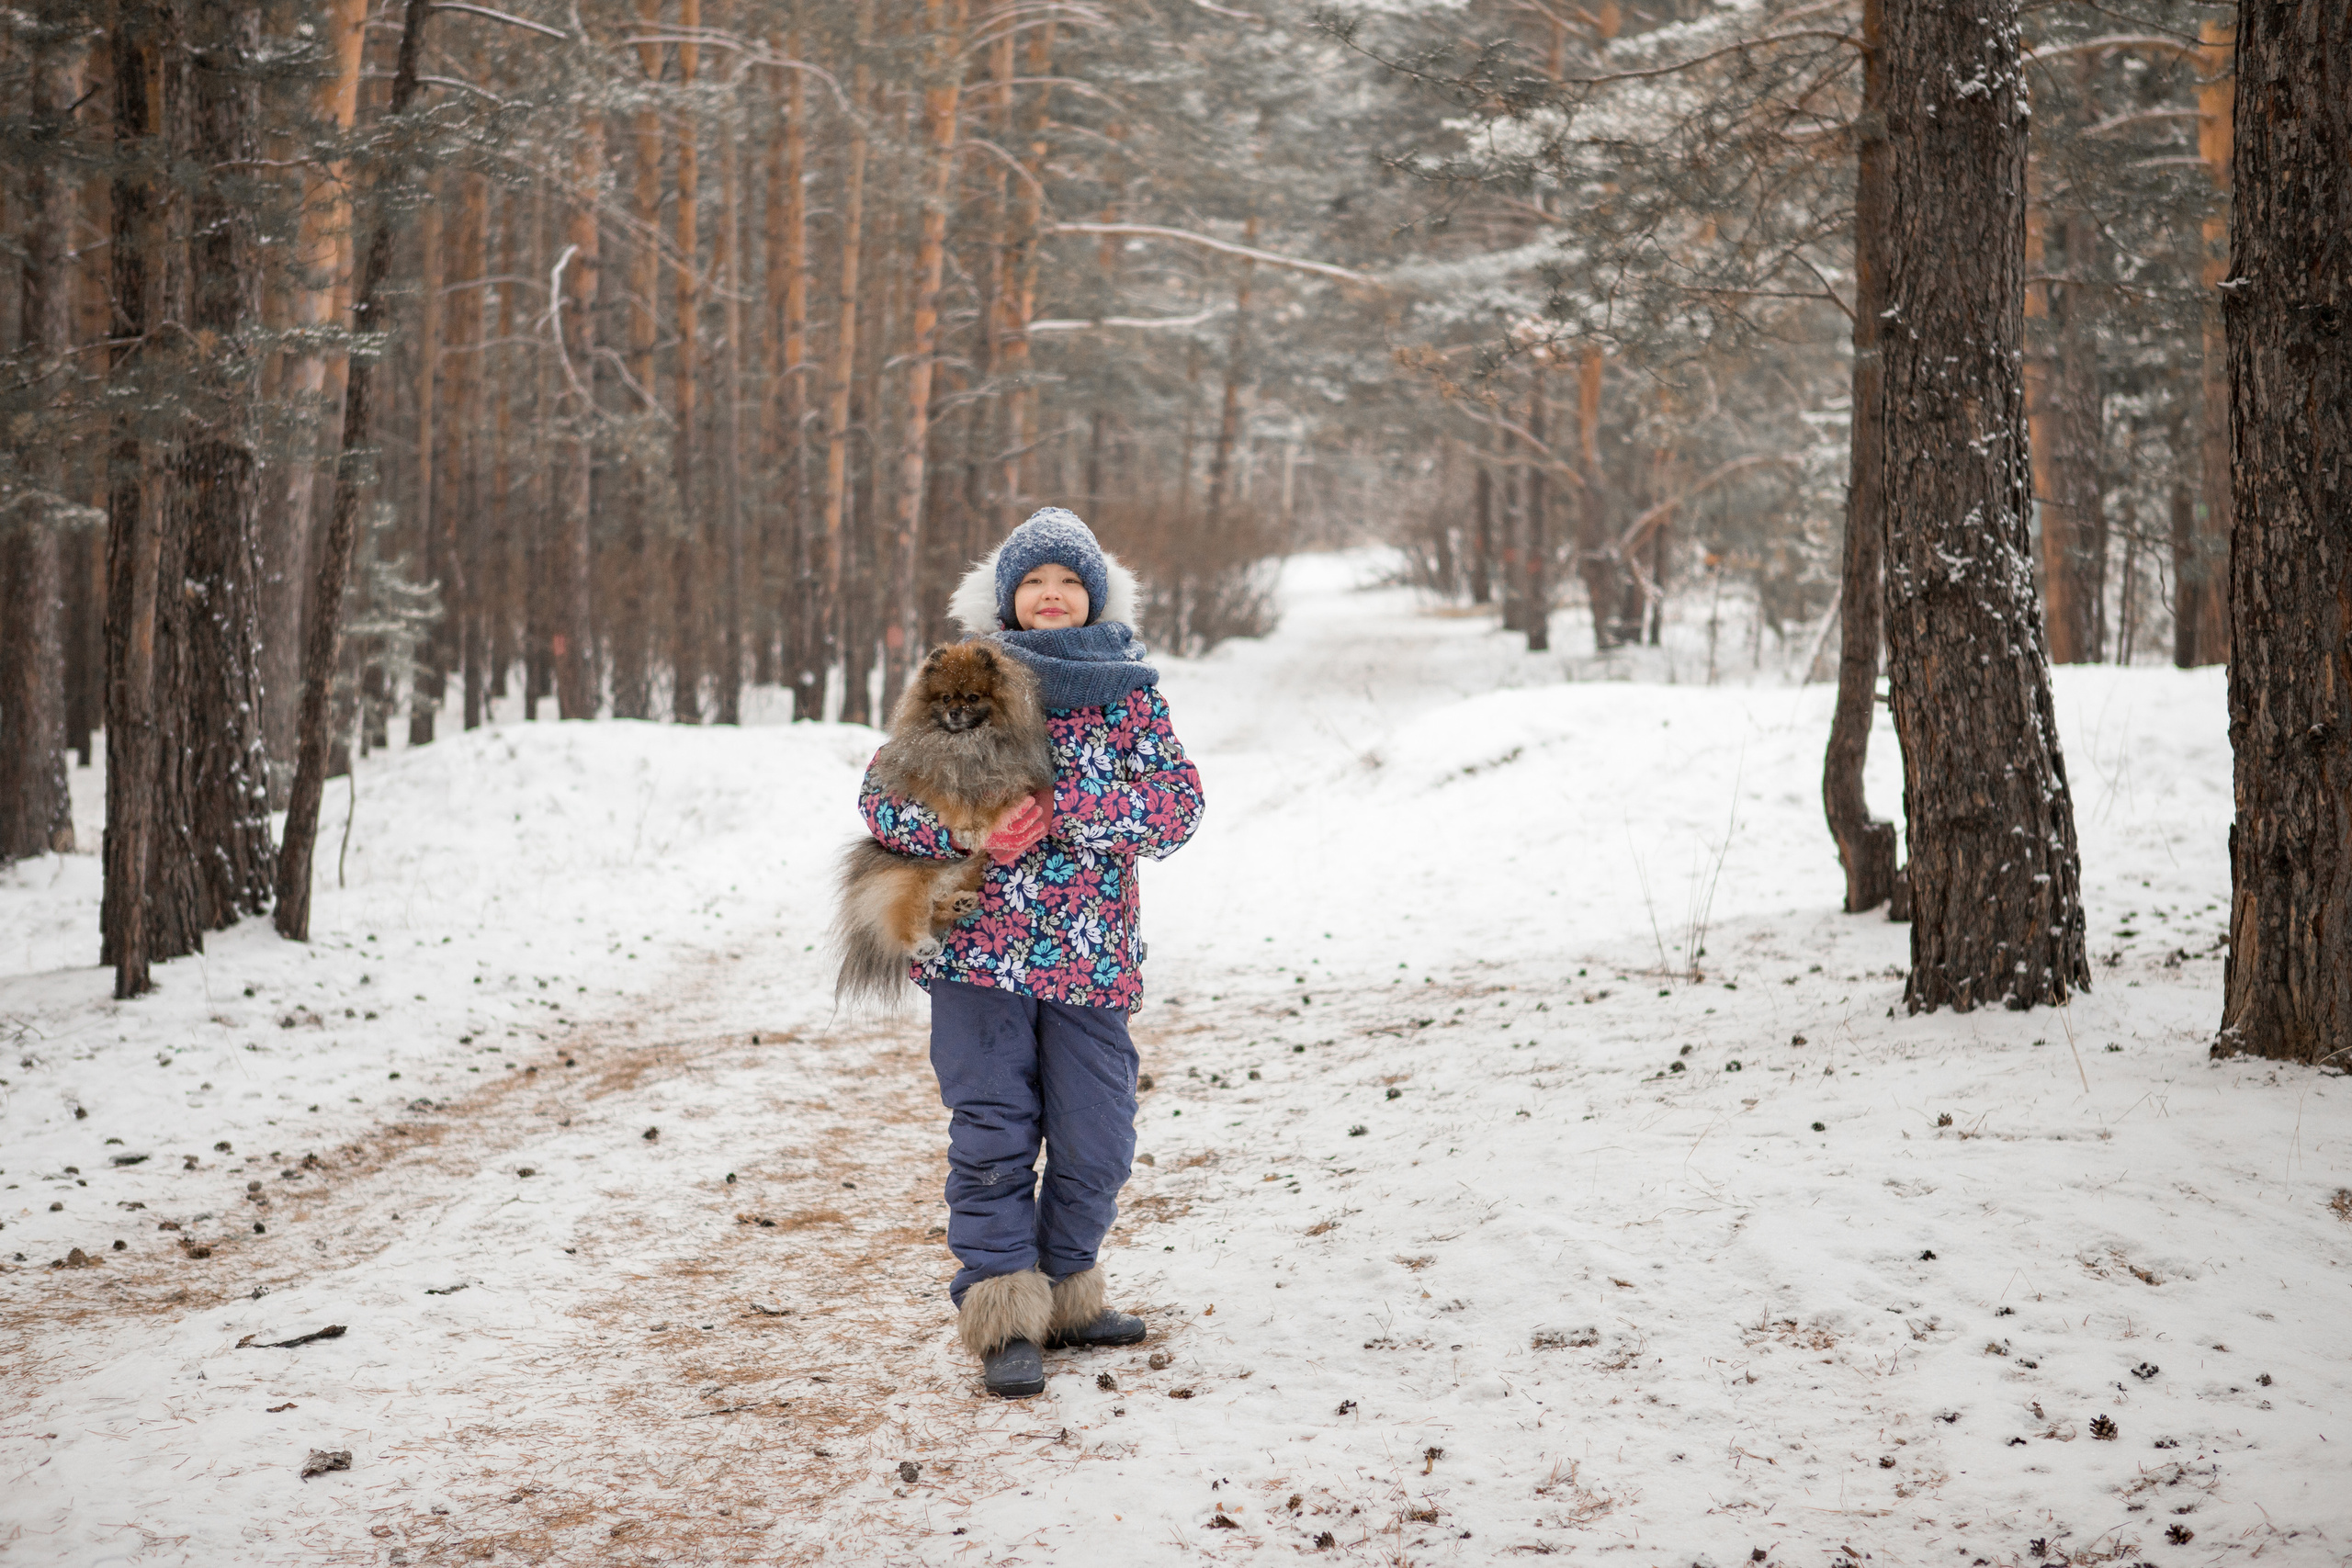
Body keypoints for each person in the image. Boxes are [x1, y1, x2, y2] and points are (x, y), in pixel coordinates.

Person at [858, 508, 1206, 1397]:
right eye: (1035, 581)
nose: (1052, 594)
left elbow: (1176, 811)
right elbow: (883, 802)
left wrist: (1070, 809)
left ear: (1095, 594)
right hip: (978, 956)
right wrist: (970, 826)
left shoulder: (1127, 693)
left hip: (1092, 960)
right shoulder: (965, 673)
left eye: (1069, 581)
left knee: (1099, 1140)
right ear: (1008, 596)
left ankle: (1067, 1291)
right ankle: (1005, 1315)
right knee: (993, 1135)